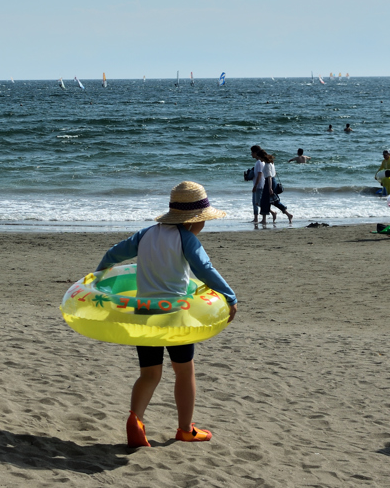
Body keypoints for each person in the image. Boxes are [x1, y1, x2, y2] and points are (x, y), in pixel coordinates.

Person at [96, 181, 237, 447]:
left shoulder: (146, 233)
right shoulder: (187, 238)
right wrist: (231, 297)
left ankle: (135, 421)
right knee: (184, 371)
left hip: (143, 313)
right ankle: (185, 429)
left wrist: (98, 277)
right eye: (203, 220)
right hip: (173, 314)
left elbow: (113, 253)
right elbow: (204, 270)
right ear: (193, 221)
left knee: (149, 373)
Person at [257, 149, 292, 224]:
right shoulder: (271, 163)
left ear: (262, 157)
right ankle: (288, 214)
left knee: (264, 201)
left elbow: (269, 177)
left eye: (259, 157)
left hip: (269, 183)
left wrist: (269, 188)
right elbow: (274, 174)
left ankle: (264, 220)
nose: (259, 159)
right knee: (274, 201)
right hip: (273, 181)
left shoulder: (267, 165)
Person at [250, 145, 265, 224]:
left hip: (259, 185)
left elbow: (259, 174)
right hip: (259, 184)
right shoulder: (259, 162)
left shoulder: (259, 162)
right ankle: (256, 218)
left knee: (257, 202)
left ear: (255, 153)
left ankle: (271, 213)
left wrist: (255, 186)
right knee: (256, 202)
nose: (251, 154)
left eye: (252, 152)